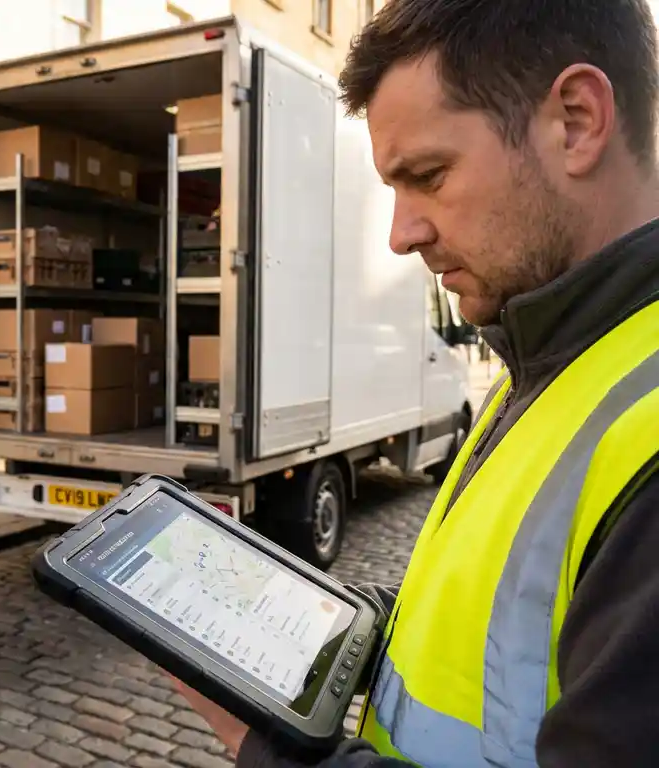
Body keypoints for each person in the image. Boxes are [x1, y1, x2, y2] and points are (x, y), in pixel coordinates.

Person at [175, 1, 659, 766]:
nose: (401, 234)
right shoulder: (554, 356)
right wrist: (329, 628)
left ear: (576, 120)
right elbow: (497, 635)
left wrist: (269, 751)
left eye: (427, 176)